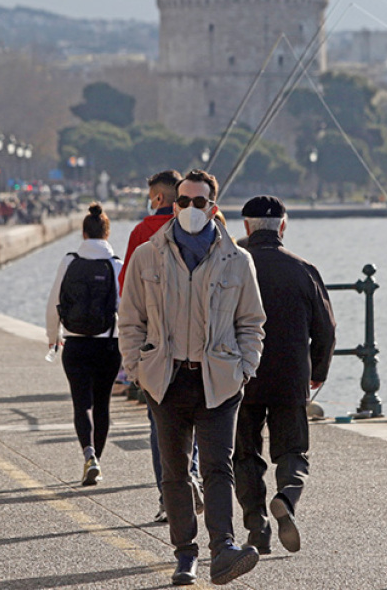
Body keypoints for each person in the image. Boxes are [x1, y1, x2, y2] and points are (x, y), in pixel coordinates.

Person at [118, 169, 266, 586]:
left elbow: (252, 321)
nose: (188, 209)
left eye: (198, 202)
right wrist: (137, 368)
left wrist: (245, 368)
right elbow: (129, 319)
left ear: (213, 208)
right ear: (174, 204)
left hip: (218, 380)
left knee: (220, 467)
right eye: (182, 201)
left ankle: (224, 549)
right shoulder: (149, 255)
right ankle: (185, 554)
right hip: (165, 380)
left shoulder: (238, 260)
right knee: (175, 472)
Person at [234, 196, 336, 555]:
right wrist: (317, 372)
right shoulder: (303, 269)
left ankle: (257, 527)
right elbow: (326, 328)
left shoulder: (231, 267)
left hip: (240, 377)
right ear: (283, 226)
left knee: (244, 455)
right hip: (291, 376)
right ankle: (287, 498)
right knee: (293, 450)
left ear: (246, 227)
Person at [119, 169, 202, 522]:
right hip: (201, 344)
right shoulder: (212, 224)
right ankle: (194, 479)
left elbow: (126, 292)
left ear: (157, 197)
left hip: (156, 348)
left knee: (161, 426)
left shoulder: (142, 232)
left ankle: (169, 496)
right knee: (201, 420)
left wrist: (132, 362)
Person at [45, 203, 123, 486]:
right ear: (107, 231)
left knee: (82, 403)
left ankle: (88, 455)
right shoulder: (116, 264)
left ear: (83, 232)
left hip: (75, 344)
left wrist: (53, 338)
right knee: (103, 404)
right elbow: (126, 309)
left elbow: (54, 302)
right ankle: (96, 462)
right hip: (108, 345)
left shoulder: (69, 261)